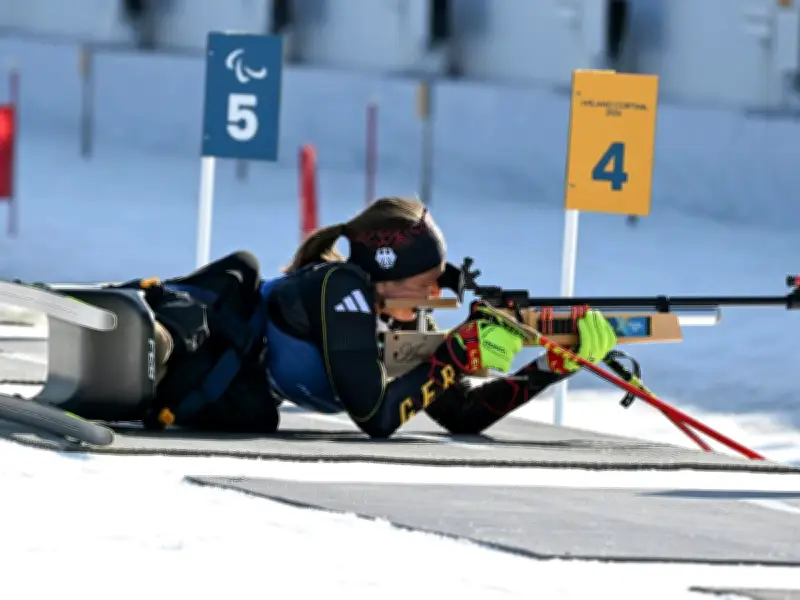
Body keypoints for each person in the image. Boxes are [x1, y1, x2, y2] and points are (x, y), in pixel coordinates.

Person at [122, 196, 618, 438]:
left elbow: (462, 416)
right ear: (388, 273)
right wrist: (453, 356)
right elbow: (376, 417)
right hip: (207, 357)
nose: (433, 292)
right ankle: (146, 333)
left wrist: (549, 369)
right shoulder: (343, 289)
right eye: (426, 278)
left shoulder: (397, 316)